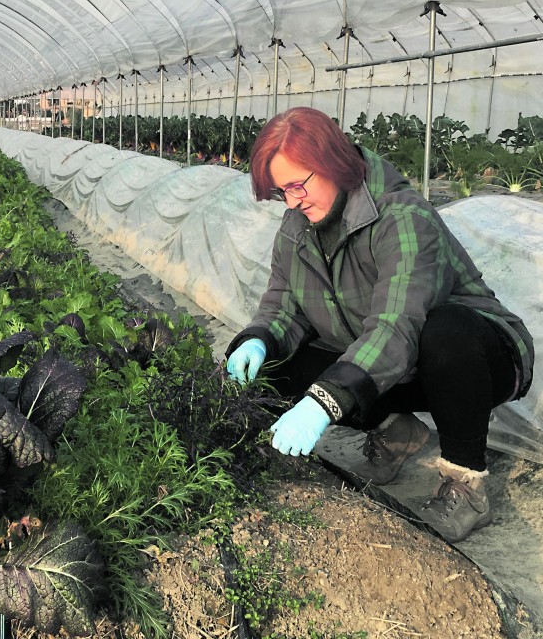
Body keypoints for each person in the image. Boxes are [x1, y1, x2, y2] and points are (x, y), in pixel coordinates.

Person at [225, 107, 533, 543]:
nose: (292, 201)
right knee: (276, 365)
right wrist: (258, 340)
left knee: (443, 331)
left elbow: (396, 325)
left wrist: (322, 404)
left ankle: (466, 486)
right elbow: (283, 305)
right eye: (281, 191)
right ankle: (395, 430)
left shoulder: (402, 218)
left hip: (475, 358)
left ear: (332, 162)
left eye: (298, 185)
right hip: (394, 363)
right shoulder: (297, 228)